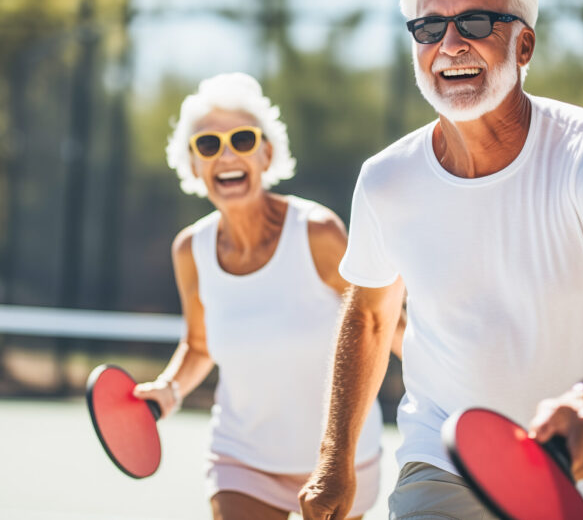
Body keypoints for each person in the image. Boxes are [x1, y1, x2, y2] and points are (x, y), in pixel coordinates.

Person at [299, 0, 583, 520]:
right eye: (429, 28)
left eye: (475, 22)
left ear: (522, 43)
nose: (450, 44)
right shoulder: (385, 179)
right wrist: (335, 457)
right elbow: (371, 317)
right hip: (446, 463)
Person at [134, 72, 401, 520]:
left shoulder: (316, 233)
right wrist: (169, 388)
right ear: (194, 165)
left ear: (266, 153)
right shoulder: (190, 251)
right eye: (207, 145)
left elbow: (383, 319)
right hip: (241, 457)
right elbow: (199, 345)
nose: (226, 155)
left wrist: (450, 377)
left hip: (341, 459)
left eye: (242, 139)